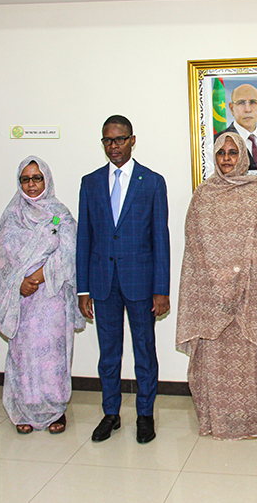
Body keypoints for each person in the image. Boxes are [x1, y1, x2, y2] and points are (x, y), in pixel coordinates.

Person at [176, 132, 257, 439]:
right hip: (212, 297)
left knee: (247, 365)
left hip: (250, 297)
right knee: (214, 364)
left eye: (232, 152)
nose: (226, 158)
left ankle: (249, 423)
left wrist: (240, 280)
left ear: (243, 156)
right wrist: (218, 281)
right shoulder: (203, 194)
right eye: (221, 153)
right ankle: (214, 421)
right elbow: (195, 246)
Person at [77, 115, 170, 444]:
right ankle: (111, 413)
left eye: (119, 139)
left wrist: (161, 289)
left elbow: (161, 238)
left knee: (144, 351)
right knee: (108, 354)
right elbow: (84, 238)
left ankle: (145, 414)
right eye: (107, 140)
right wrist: (83, 289)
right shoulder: (90, 182)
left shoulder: (152, 182)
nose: (113, 146)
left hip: (141, 282)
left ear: (132, 140)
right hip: (102, 283)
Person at [0, 156, 85, 435]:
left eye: (37, 178)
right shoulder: (11, 215)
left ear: (47, 179)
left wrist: (36, 277)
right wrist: (18, 284)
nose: (31, 184)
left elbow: (69, 252)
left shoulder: (60, 213)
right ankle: (23, 409)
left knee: (53, 357)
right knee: (23, 357)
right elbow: (2, 261)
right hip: (21, 301)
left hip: (52, 299)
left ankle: (55, 409)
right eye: (25, 179)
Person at [215, 83, 257, 170]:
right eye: (241, 103)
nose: (248, 109)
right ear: (232, 108)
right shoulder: (217, 142)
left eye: (253, 102)